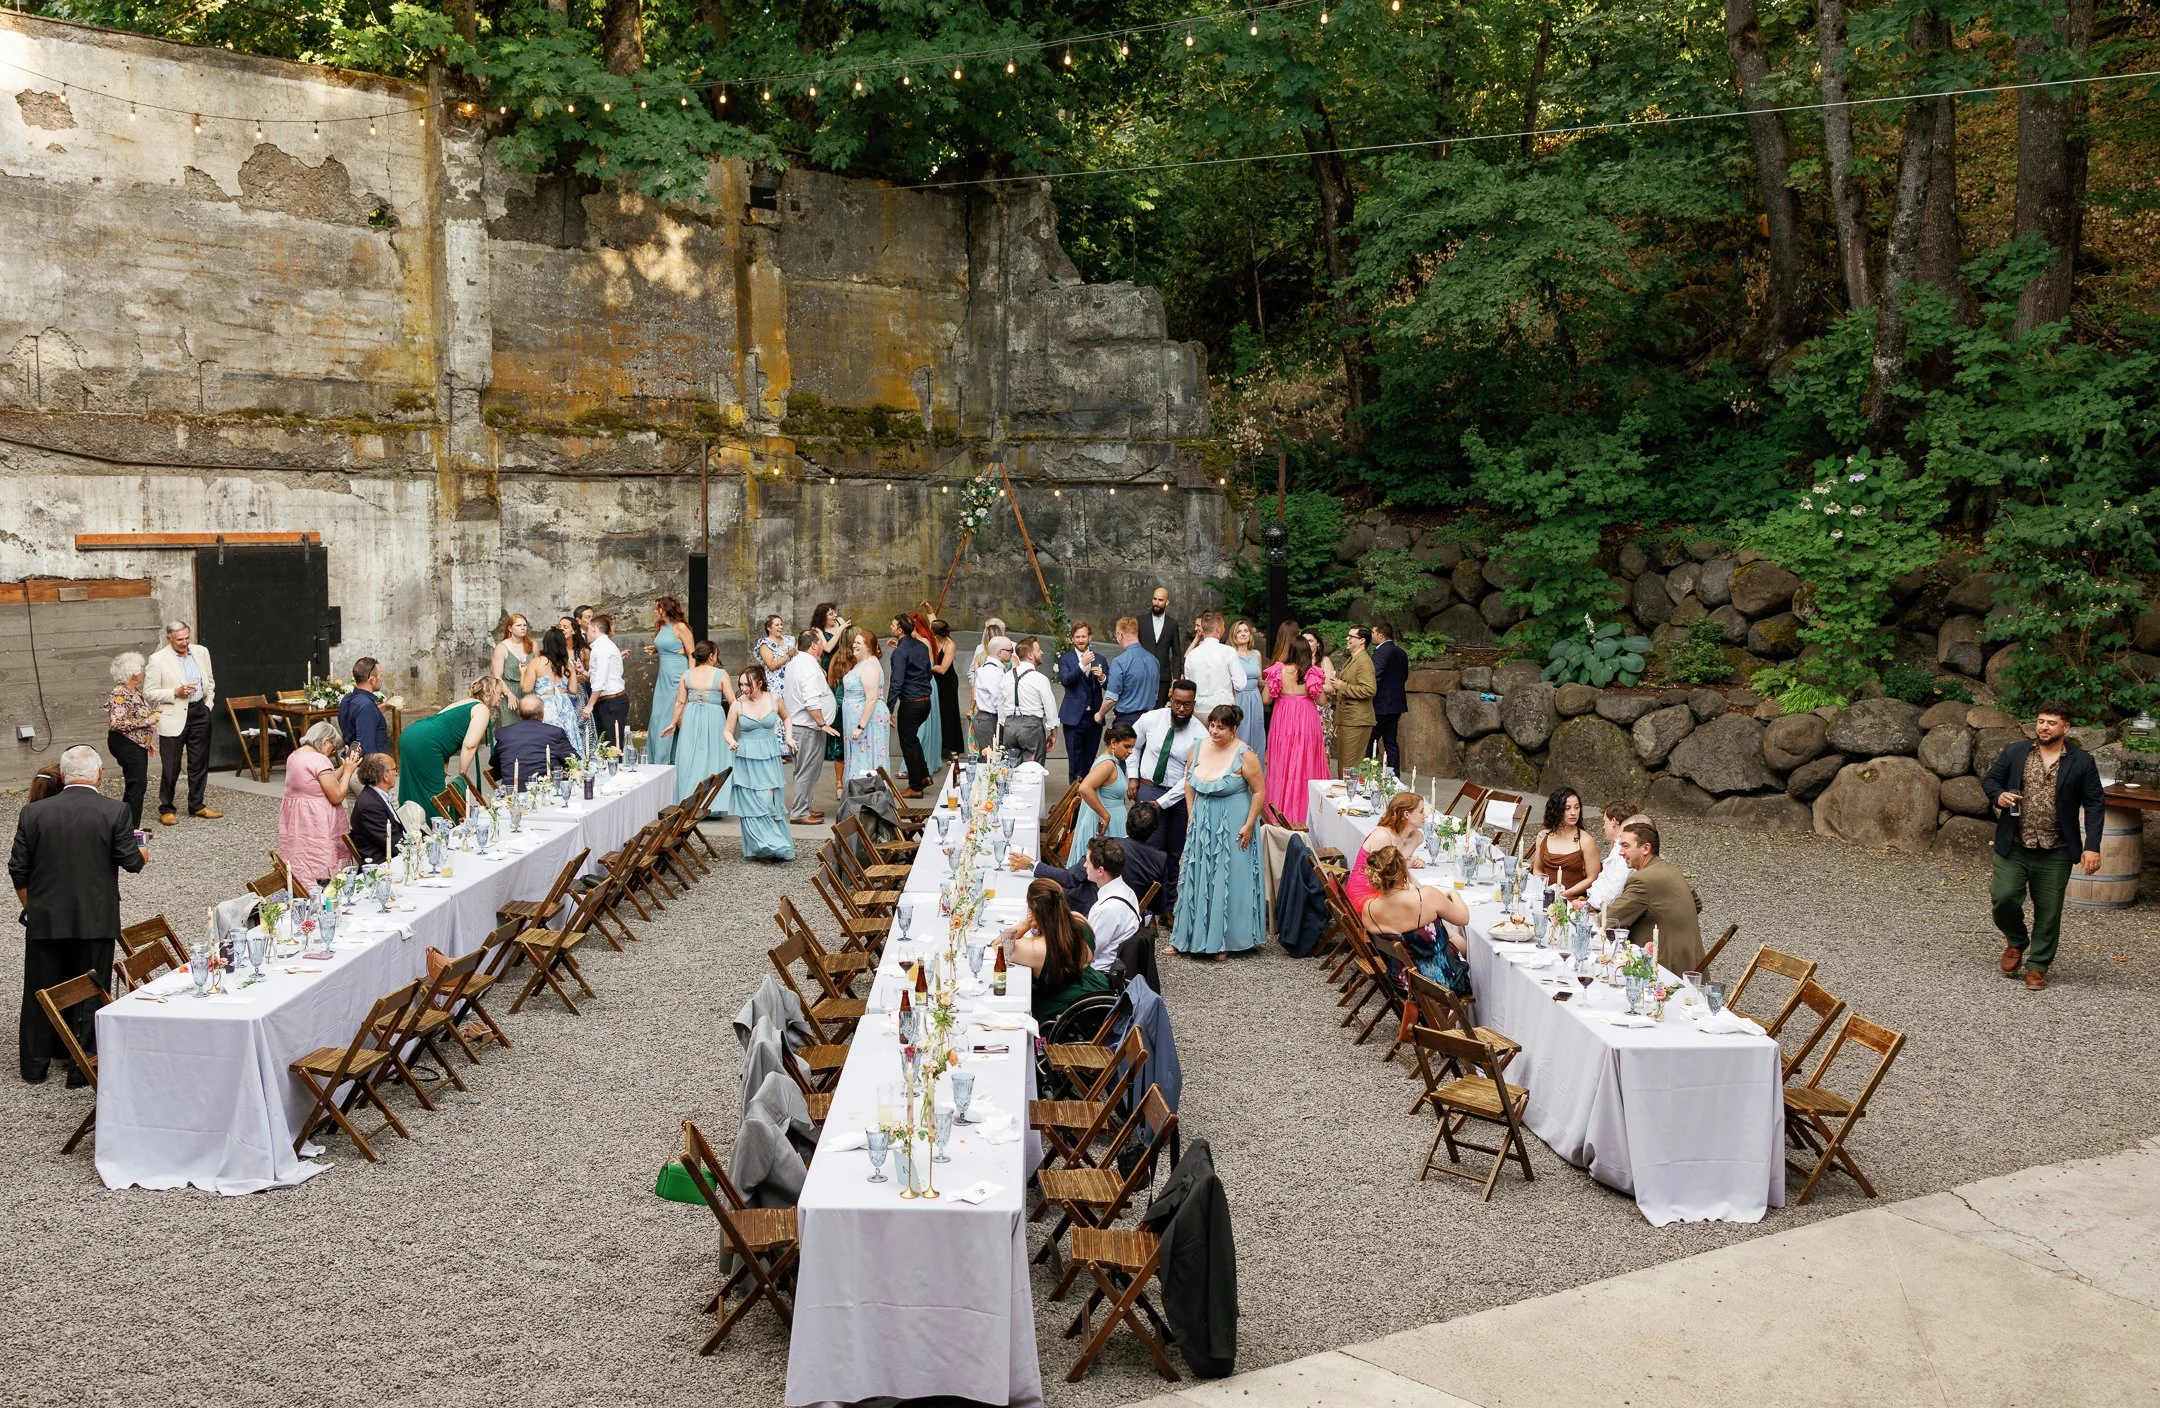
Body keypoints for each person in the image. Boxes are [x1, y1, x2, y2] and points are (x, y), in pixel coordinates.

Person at [10, 745, 146, 1083]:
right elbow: (132, 863)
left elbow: (18, 868)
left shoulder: (33, 813)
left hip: (46, 918)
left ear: (62, 776)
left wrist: (32, 906)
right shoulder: (115, 811)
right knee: (90, 989)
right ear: (99, 774)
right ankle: (81, 1068)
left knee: (39, 991)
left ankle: (34, 1067)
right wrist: (143, 848)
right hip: (95, 918)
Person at [1982, 701, 2106, 990]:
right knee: (2003, 898)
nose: (2044, 727)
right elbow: (1991, 780)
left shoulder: (2082, 761)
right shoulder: (2016, 752)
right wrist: (1998, 795)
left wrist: (2093, 845)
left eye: (2051, 722)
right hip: (2014, 844)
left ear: (2066, 727)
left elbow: (2095, 804)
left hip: (2057, 850)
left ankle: (2038, 965)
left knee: (2049, 910)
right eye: (2040, 721)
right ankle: (2016, 940)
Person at [1169, 704, 1266, 960]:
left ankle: (1224, 940)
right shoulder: (1198, 747)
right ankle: (1186, 937)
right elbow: (1189, 782)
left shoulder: (1245, 755)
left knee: (1228, 876)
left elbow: (1259, 792)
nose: (1214, 730)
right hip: (1202, 819)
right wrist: (1191, 814)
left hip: (1233, 821)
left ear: (1233, 729)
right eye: (1212, 725)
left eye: (1221, 727)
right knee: (1195, 873)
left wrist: (1248, 824)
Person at [1020, 798, 1173, 921]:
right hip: (1126, 916)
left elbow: (1069, 878)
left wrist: (1031, 865)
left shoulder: (1105, 845)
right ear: (1153, 831)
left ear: (1127, 823)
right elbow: (1160, 906)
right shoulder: (1160, 859)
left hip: (1084, 911)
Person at [1360, 844, 1471, 996]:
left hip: (1401, 982)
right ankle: (1447, 1017)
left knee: (1453, 938)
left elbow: (1402, 933)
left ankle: (1431, 1018)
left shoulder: (1369, 909)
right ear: (1402, 872)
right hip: (1441, 983)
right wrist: (1454, 895)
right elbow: (1463, 918)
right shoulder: (1425, 895)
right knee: (1457, 941)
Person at [999, 877, 1112, 1023]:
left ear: (1033, 910)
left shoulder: (1037, 949)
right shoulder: (1079, 920)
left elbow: (1000, 946)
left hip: (1063, 1007)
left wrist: (1026, 923)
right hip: (1098, 988)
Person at [143, 620, 220, 825]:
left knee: (199, 762)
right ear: (169, 639)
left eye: (187, 638)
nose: (185, 643)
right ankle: (166, 808)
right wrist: (174, 692)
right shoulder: (158, 659)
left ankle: (197, 805)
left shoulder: (201, 652)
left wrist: (208, 704)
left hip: (199, 712)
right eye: (179, 640)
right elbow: (149, 693)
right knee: (171, 766)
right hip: (173, 715)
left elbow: (209, 681)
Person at [1606, 821, 1704, 975]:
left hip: (1663, 969)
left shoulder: (1642, 880)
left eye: (1625, 846)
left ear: (1645, 848)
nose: (1621, 852)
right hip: (1691, 964)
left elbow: (1610, 919)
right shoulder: (1672, 869)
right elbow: (1696, 904)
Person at [398, 675, 500, 820]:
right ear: (491, 692)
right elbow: (469, 745)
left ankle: (411, 826)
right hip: (426, 745)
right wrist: (462, 776)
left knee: (412, 786)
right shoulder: (482, 709)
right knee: (436, 794)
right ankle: (436, 830)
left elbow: (443, 726)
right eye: (499, 692)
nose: (501, 696)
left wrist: (445, 759)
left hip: (410, 735)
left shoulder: (465, 702)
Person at [1131, 679, 1205, 864]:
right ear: (1171, 698)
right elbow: (1132, 745)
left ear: (1194, 704)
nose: (1181, 709)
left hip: (1180, 796)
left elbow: (1191, 775)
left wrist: (1162, 802)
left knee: (1174, 851)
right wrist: (1132, 776)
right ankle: (1148, 891)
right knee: (1150, 847)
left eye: (1187, 704)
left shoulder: (1200, 733)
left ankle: (1170, 892)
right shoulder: (1151, 718)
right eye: (1177, 703)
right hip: (1149, 788)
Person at [726, 667, 796, 860]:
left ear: (759, 682)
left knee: (768, 800)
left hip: (769, 755)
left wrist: (788, 737)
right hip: (746, 756)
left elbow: (787, 717)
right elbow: (727, 730)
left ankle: (774, 842)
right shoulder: (737, 704)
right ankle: (762, 845)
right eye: (740, 684)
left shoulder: (774, 699)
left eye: (747, 684)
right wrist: (731, 740)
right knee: (751, 801)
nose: (743, 688)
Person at [278, 722, 358, 886]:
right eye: (333, 748)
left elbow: (322, 782)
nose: (331, 752)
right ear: (325, 742)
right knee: (321, 854)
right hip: (316, 817)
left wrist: (343, 767)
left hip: (298, 815)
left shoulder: (295, 756)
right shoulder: (319, 760)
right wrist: (349, 772)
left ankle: (303, 886)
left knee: (302, 853)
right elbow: (336, 796)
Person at [662, 641, 736, 813]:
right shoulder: (721, 674)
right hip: (714, 717)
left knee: (690, 756)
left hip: (691, 717)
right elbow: (733, 702)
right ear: (711, 656)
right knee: (715, 754)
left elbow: (680, 702)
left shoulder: (687, 674)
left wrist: (673, 723)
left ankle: (689, 802)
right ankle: (714, 803)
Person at [1262, 637, 1328, 825]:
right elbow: (1322, 701)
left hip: (1282, 719)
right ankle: (1305, 812)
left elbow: (1265, 699)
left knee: (1282, 762)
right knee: (1305, 762)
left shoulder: (1277, 670)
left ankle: (1279, 809)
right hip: (1306, 720)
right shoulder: (1311, 672)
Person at [782, 629, 837, 824]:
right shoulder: (808, 666)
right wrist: (822, 724)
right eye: (820, 642)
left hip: (800, 725)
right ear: (814, 645)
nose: (823, 645)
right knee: (806, 770)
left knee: (807, 770)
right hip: (807, 727)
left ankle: (805, 807)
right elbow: (811, 700)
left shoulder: (796, 662)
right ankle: (800, 812)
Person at [1344, 790, 1430, 915]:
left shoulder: (1416, 837)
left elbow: (1397, 863)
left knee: (1422, 900)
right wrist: (1410, 885)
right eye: (1421, 812)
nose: (1425, 815)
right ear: (1406, 814)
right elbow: (1382, 877)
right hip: (1366, 892)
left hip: (1386, 889)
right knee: (1419, 903)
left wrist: (1406, 865)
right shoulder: (1382, 836)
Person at [1067, 723, 1137, 860]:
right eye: (1127, 746)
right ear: (1113, 742)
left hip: (1110, 824)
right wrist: (1105, 815)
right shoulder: (1107, 764)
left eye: (1132, 747)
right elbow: (1084, 788)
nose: (1130, 751)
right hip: (1104, 826)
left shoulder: (1110, 762)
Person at [104, 651, 156, 829]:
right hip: (125, 743)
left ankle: (129, 826)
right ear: (132, 672)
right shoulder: (120, 694)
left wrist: (147, 740)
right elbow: (117, 723)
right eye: (141, 668)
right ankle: (129, 829)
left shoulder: (133, 691)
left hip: (134, 742)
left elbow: (134, 719)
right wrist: (149, 721)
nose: (143, 671)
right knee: (136, 785)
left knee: (137, 784)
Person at [887, 618, 935, 795]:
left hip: (911, 703)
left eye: (893, 624)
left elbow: (896, 682)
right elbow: (928, 673)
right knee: (913, 740)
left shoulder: (900, 652)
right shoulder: (921, 646)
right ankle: (923, 776)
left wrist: (889, 708)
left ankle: (915, 786)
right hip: (925, 701)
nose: (890, 626)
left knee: (908, 742)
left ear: (900, 629)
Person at [1082, 839, 1144, 976]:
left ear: (1100, 871)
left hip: (1096, 977)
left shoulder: (1107, 910)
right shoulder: (1128, 892)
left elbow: (1085, 954)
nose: (1085, 865)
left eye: (1087, 862)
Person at [645, 597, 695, 765]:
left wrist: (690, 679)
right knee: (659, 715)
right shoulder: (662, 626)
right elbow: (669, 645)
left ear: (665, 609)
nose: (654, 611)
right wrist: (656, 649)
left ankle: (673, 759)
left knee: (671, 714)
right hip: (663, 677)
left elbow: (692, 654)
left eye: (657, 608)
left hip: (677, 674)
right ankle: (658, 759)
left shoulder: (680, 627)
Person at [1529, 787, 1602, 901]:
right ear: (1556, 810)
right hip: (1544, 896)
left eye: (1576, 807)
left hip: (1572, 901)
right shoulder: (1543, 836)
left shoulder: (1586, 840)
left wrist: (1563, 894)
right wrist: (1545, 891)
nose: (1573, 813)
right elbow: (1537, 869)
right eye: (1567, 808)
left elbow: (1593, 877)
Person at [1058, 621, 1108, 784]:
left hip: (1094, 718)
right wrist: (1082, 665)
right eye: (1077, 637)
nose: (1080, 640)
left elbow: (1109, 686)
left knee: (1089, 763)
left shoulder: (1100, 658)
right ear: (1072, 639)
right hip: (1073, 719)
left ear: (1090, 637)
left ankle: (1086, 803)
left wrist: (1102, 677)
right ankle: (1073, 804)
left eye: (1083, 636)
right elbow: (1066, 680)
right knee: (1075, 764)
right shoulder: (1066, 659)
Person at [523, 626, 585, 755]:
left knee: (548, 738)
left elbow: (526, 688)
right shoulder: (567, 664)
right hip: (565, 704)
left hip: (545, 706)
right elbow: (573, 690)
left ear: (546, 643)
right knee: (568, 736)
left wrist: (523, 673)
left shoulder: (537, 662)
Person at [491, 694, 575, 789]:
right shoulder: (555, 733)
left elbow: (494, 762)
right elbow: (574, 761)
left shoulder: (504, 733)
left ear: (518, 713)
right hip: (545, 791)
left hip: (512, 794)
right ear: (542, 714)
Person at [841, 628, 891, 787]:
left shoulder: (869, 666)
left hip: (867, 722)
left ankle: (868, 798)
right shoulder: (862, 663)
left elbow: (871, 698)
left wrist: (860, 726)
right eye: (854, 642)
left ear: (868, 647)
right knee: (860, 756)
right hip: (859, 720)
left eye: (858, 643)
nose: (854, 645)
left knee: (867, 757)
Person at [1004, 636, 1058, 766]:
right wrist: (1053, 732)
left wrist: (1005, 724)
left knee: (1012, 767)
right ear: (1030, 655)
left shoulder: (1006, 676)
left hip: (1009, 726)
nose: (1042, 652)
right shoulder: (1040, 678)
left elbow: (1001, 705)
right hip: (1031, 727)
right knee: (1033, 770)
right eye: (1038, 650)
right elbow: (1050, 708)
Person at [1183, 611, 1248, 714]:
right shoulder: (1229, 652)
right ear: (1219, 628)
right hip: (1223, 711)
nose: (1224, 629)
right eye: (1223, 626)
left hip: (1198, 710)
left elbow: (1189, 686)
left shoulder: (1191, 655)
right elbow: (1240, 684)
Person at [1101, 617, 1159, 731]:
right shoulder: (1154, 660)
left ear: (1120, 635)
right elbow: (1155, 694)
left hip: (1126, 722)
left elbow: (1110, 699)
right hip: (1150, 720)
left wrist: (1099, 714)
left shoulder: (1120, 661)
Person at [1585, 797, 1644, 911]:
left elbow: (1614, 892)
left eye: (1604, 822)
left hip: (1604, 910)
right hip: (1594, 902)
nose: (1603, 827)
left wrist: (1589, 906)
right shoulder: (1617, 846)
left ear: (1613, 822)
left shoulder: (1625, 852)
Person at [1334, 625, 1379, 774]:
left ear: (1361, 640)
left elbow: (1369, 689)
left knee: (1349, 768)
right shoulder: (1353, 659)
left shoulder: (1364, 662)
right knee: (1345, 766)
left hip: (1357, 721)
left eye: (1351, 636)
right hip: (1348, 720)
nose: (1347, 638)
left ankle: (1350, 796)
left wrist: (1342, 686)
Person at [583, 614, 630, 751]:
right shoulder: (602, 646)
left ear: (594, 629)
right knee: (605, 745)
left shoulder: (602, 648)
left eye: (588, 630)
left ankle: (616, 771)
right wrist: (583, 672)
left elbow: (600, 681)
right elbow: (597, 675)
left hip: (612, 702)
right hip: (607, 701)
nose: (587, 634)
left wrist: (589, 705)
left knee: (612, 746)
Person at [350, 754, 407, 866]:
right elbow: (392, 843)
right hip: (382, 867)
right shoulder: (370, 806)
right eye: (394, 770)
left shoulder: (377, 795)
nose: (396, 773)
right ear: (385, 775)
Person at [1370, 622, 1410, 771]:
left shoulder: (1381, 652)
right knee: (1391, 742)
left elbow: (1376, 677)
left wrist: (1369, 695)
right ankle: (1394, 776)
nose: (1371, 635)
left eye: (1373, 632)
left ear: (1381, 635)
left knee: (1371, 740)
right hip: (1396, 704)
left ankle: (1369, 773)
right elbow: (1404, 676)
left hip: (1380, 704)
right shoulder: (1401, 652)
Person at [970, 635, 1016, 752]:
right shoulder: (993, 672)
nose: (1012, 653)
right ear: (999, 652)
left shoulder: (989, 668)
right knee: (992, 759)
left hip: (986, 718)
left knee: (990, 757)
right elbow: (998, 702)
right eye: (1010, 650)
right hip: (989, 720)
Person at [1229, 620, 1268, 756]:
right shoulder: (1231, 654)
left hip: (1255, 697)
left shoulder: (1256, 654)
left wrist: (1270, 681)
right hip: (1239, 697)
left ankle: (1257, 772)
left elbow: (1259, 680)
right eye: (1239, 631)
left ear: (1250, 635)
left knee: (1257, 733)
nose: (1243, 634)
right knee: (1241, 734)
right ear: (1233, 636)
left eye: (1246, 631)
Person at [1141, 586, 1184, 708]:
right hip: (1143, 675)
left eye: (1160, 600)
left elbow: (1176, 652)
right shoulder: (1141, 621)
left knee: (1159, 711)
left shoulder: (1172, 624)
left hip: (1163, 677)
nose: (1156, 603)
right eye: (1154, 599)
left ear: (1167, 602)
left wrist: (1176, 677)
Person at [490, 613, 533, 728]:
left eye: (525, 625)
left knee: (531, 728)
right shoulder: (502, 648)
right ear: (510, 628)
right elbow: (497, 676)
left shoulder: (532, 645)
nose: (523, 627)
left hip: (529, 690)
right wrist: (509, 694)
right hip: (509, 690)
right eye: (519, 625)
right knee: (511, 728)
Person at [930, 618, 964, 761]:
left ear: (937, 634)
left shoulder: (950, 645)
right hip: (935, 680)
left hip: (947, 682)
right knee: (935, 711)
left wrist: (923, 665)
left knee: (948, 713)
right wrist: (928, 609)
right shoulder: (934, 638)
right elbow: (932, 619)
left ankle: (952, 747)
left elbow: (943, 669)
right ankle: (939, 746)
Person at [966, 615, 1007, 712]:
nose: (985, 632)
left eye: (988, 629)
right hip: (982, 699)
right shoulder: (980, 649)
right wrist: (980, 686)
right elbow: (972, 673)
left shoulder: (1012, 647)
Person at [752, 614, 793, 693]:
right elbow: (771, 666)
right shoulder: (765, 644)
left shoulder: (789, 640)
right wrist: (788, 656)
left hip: (792, 682)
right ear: (769, 628)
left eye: (781, 624)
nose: (780, 627)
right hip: (776, 685)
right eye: (777, 625)